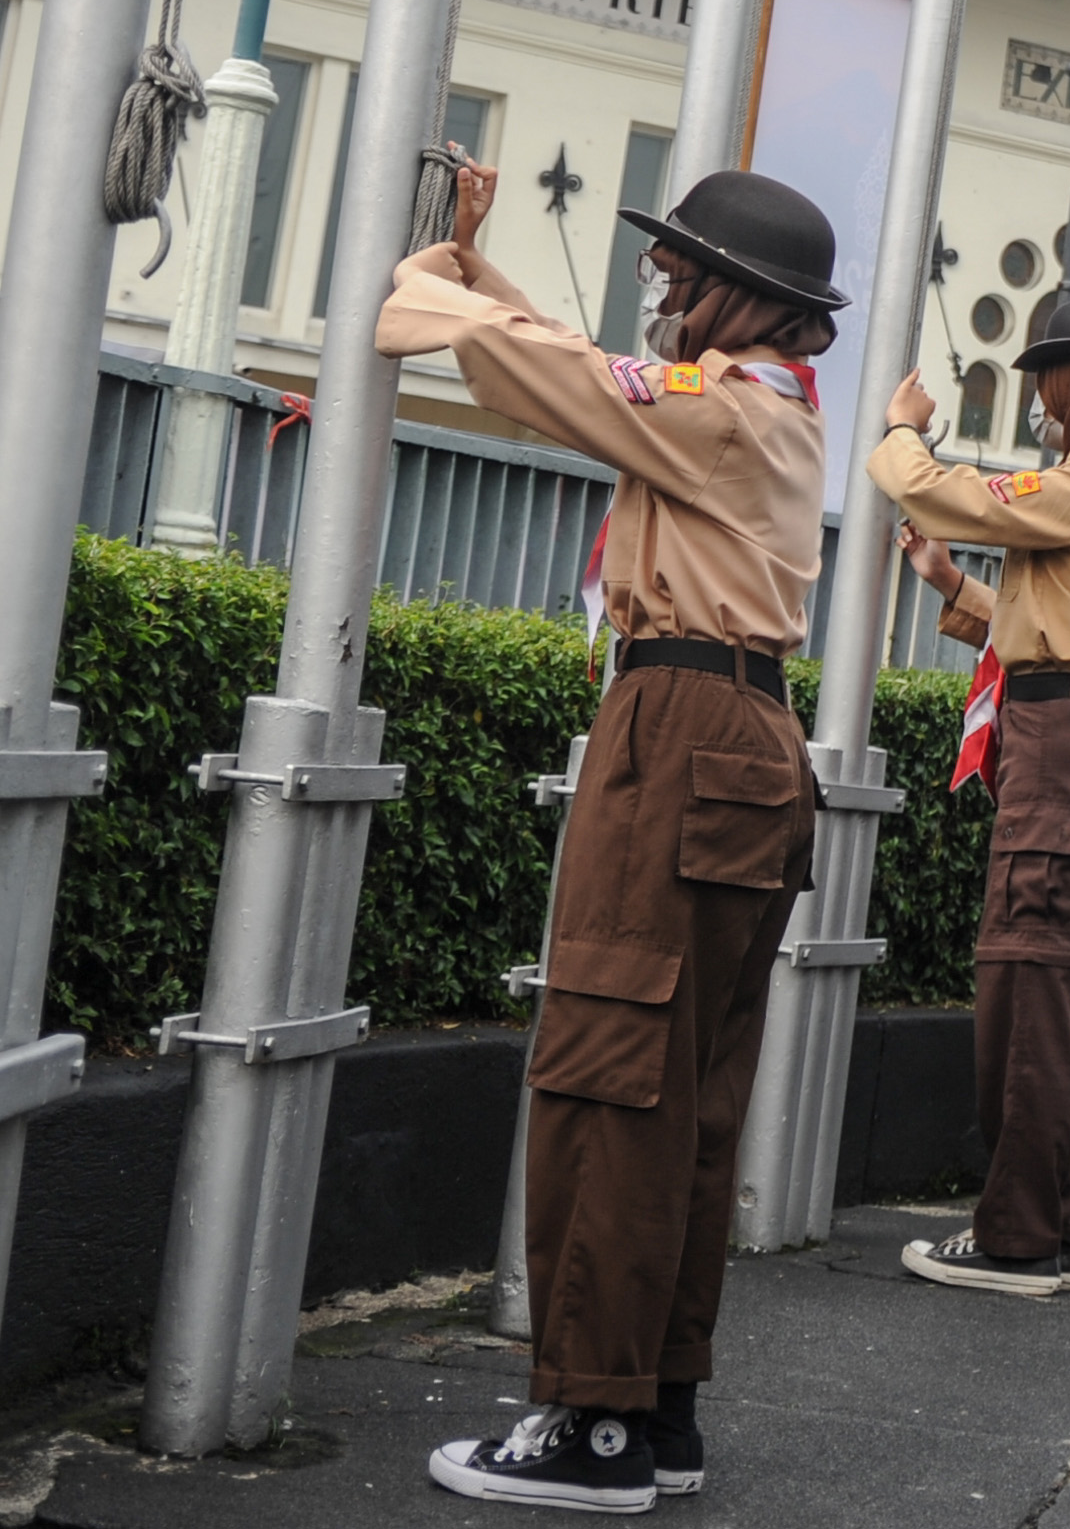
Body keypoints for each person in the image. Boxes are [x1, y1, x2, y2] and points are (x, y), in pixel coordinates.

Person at [410, 158, 840, 1514]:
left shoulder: (723, 412)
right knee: (688, 1093)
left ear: (739, 298)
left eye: (679, 269)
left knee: (611, 1065)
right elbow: (592, 369)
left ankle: (586, 1423)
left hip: (681, 726)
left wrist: (426, 278)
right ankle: (656, 1406)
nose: (659, 283)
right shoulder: (749, 406)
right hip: (741, 732)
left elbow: (537, 373)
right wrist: (480, 270)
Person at [881, 295, 1070, 1295]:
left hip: (1060, 753)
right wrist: (951, 587)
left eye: (1051, 390)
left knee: (1028, 996)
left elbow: (924, 485)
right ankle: (1057, 1231)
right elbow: (1055, 621)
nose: (1044, 412)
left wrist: (901, 429)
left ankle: (1013, 1237)